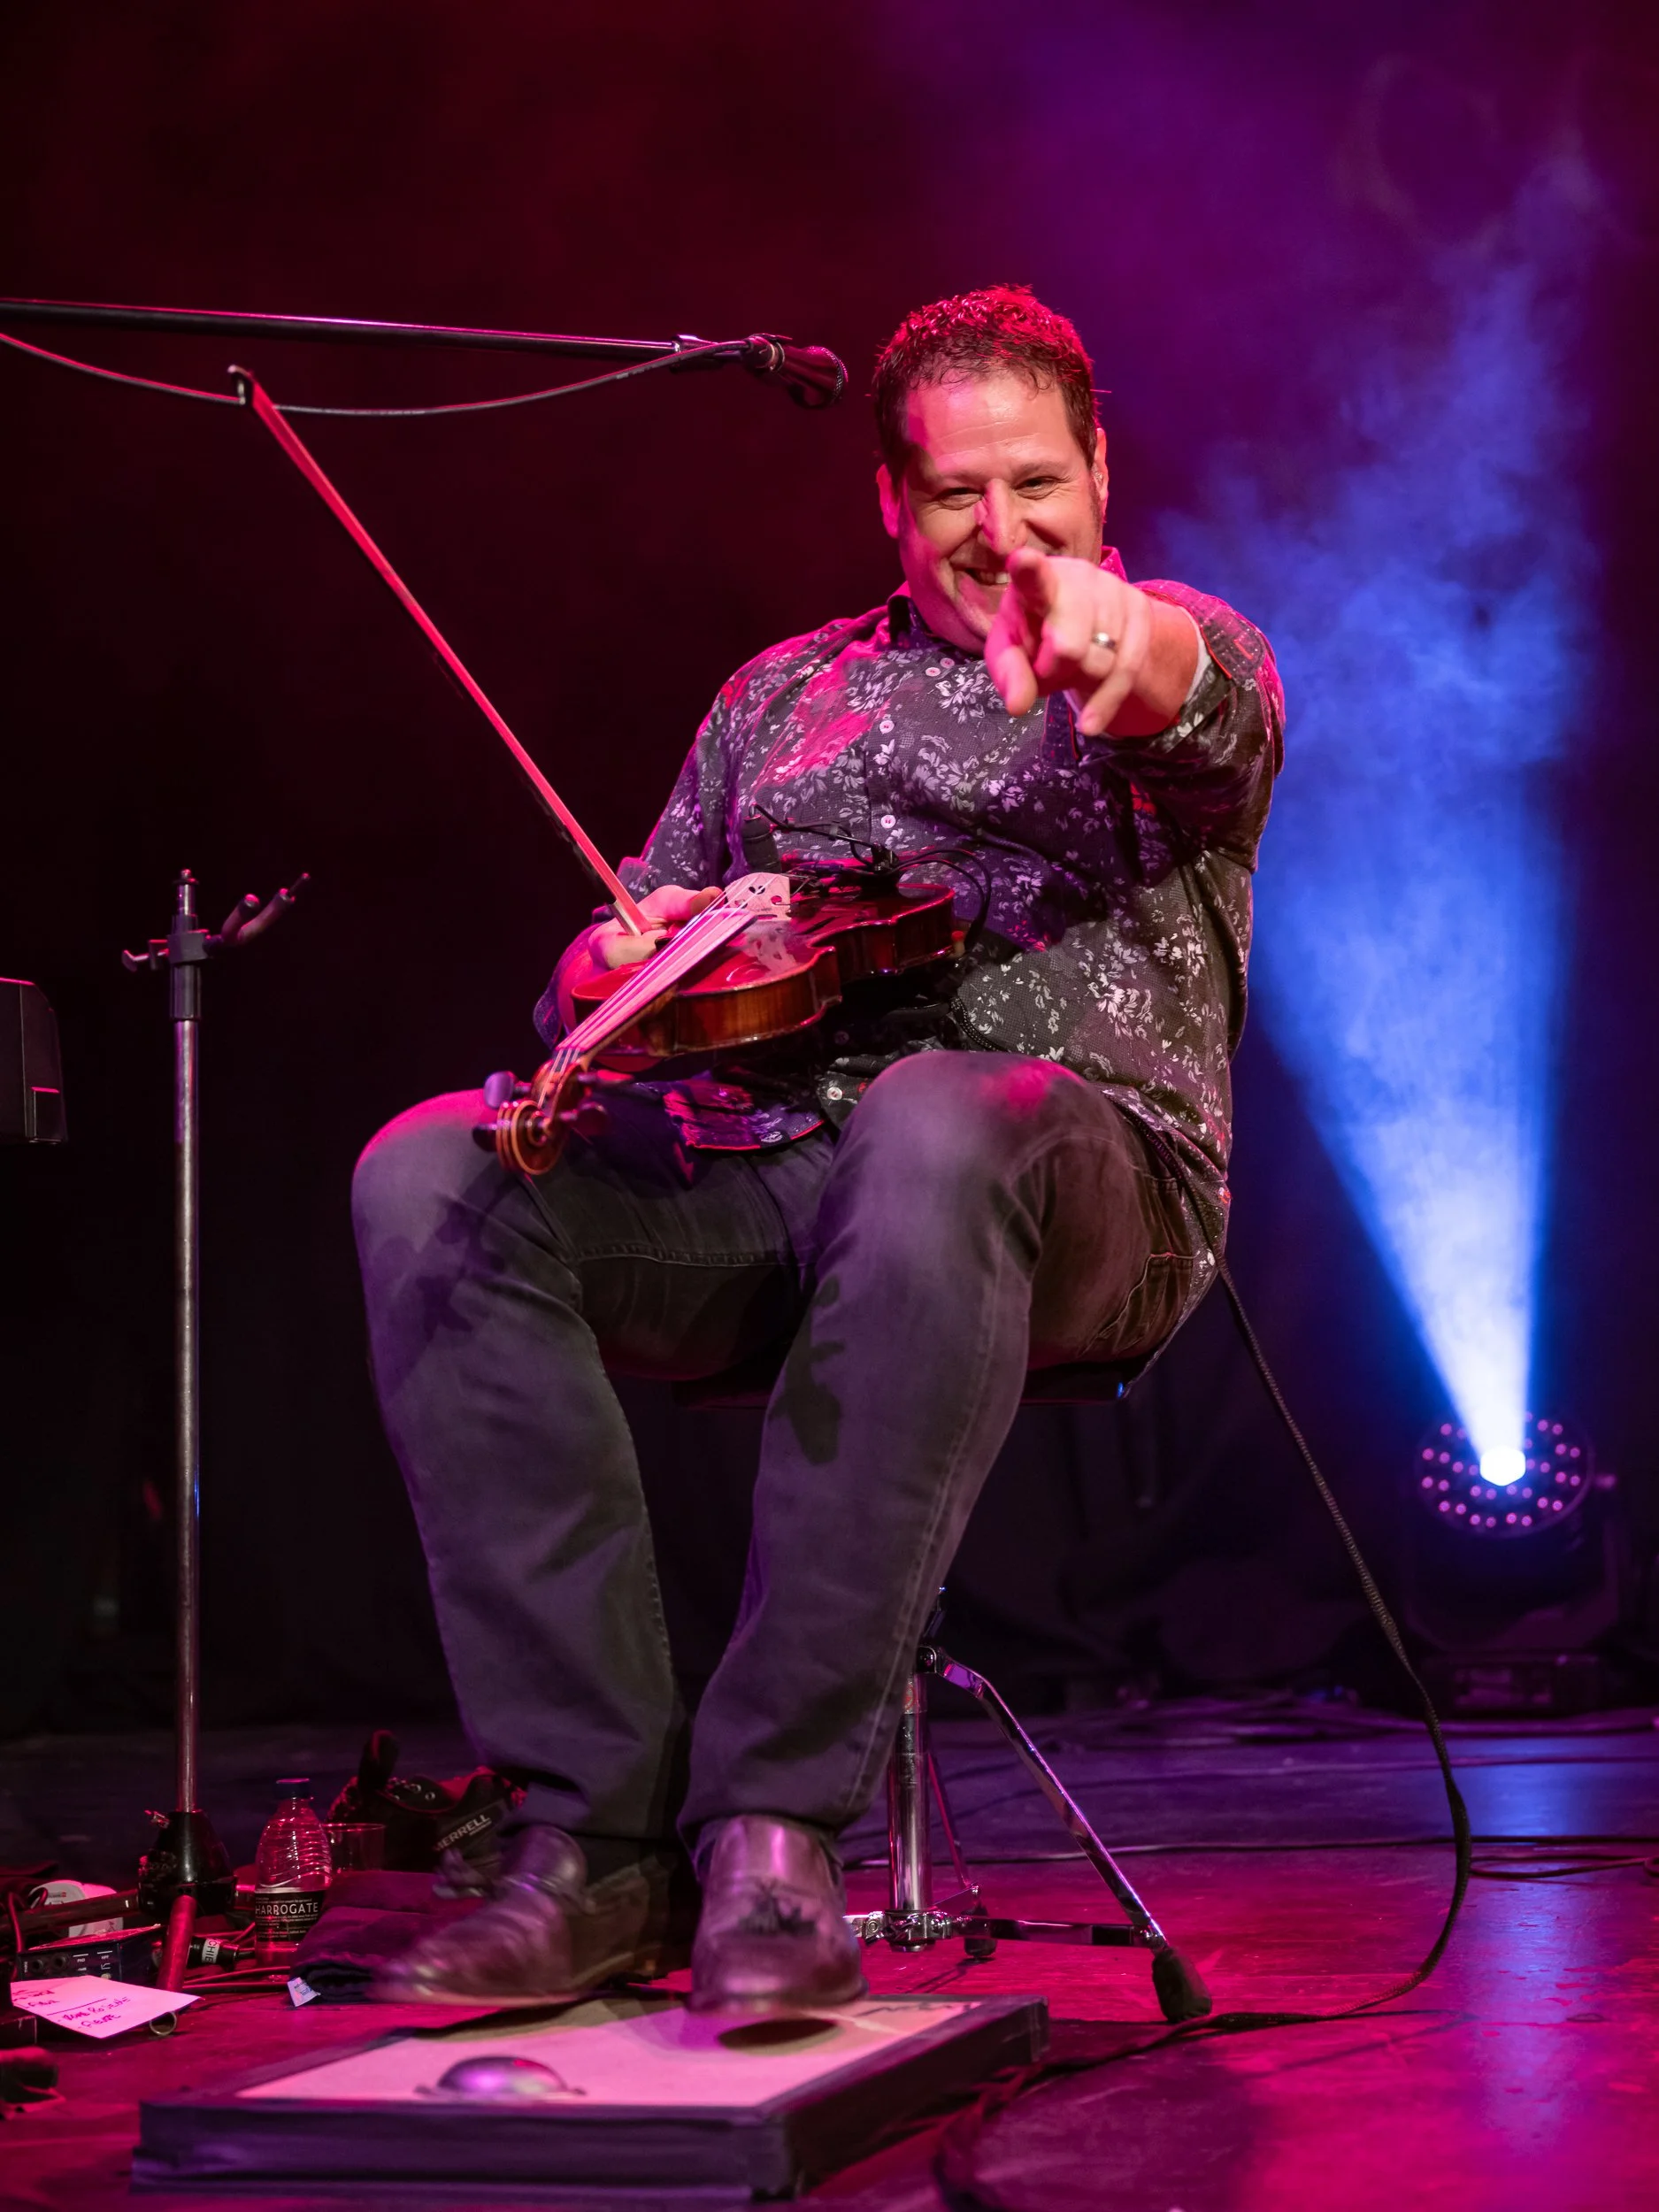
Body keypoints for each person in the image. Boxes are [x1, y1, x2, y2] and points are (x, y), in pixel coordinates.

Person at [352, 284, 1284, 2012]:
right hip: (776, 1173)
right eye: (953, 497)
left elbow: (1195, 696)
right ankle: (593, 1845)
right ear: (888, 502)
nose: (995, 531)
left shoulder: (1165, 641)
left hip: (1085, 1185)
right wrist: (612, 963)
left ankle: (771, 1824)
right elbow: (612, 941)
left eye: (1034, 486)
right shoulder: (779, 697)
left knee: (938, 1118)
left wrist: (1096, 631)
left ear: (1099, 469)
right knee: (428, 1171)